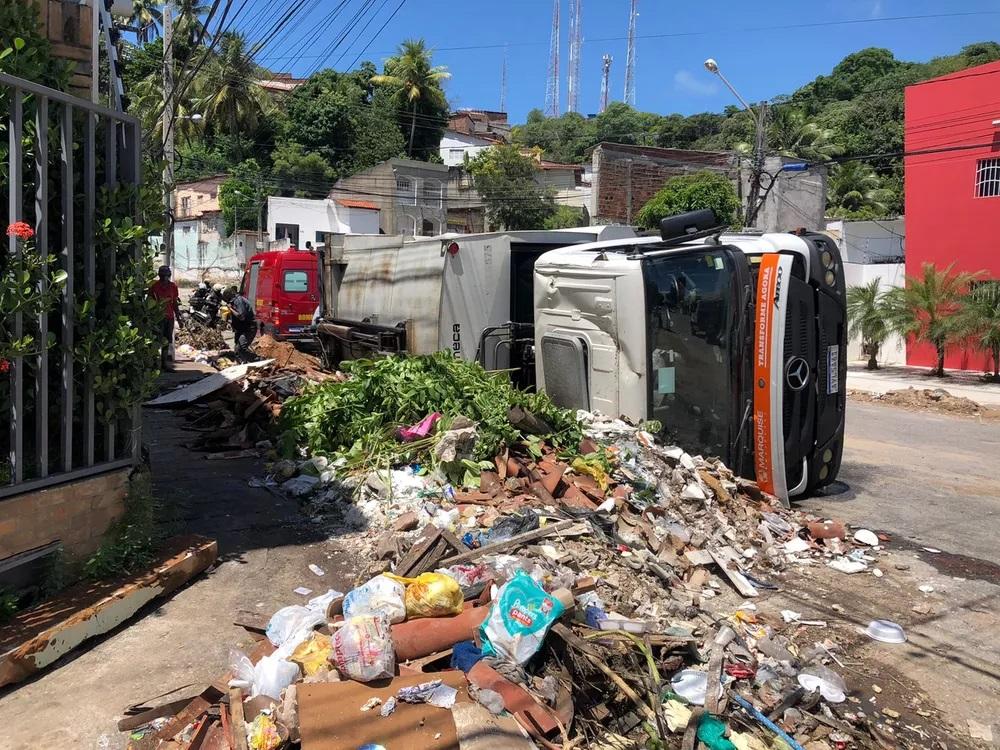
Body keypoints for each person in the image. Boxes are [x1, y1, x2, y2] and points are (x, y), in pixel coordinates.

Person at [149, 265, 181, 368]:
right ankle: (154, 363)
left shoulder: (173, 286)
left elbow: (174, 302)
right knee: (156, 340)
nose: (165, 277)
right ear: (159, 275)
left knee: (167, 341)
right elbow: (150, 302)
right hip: (158, 317)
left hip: (169, 317)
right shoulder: (154, 286)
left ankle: (164, 364)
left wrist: (178, 317)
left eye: (166, 275)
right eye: (163, 275)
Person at [223, 286, 256, 362]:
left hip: (248, 328)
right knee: (237, 349)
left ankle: (257, 360)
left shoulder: (238, 301)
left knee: (241, 348)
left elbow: (241, 316)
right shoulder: (235, 300)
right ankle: (242, 363)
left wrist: (230, 309)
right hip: (241, 328)